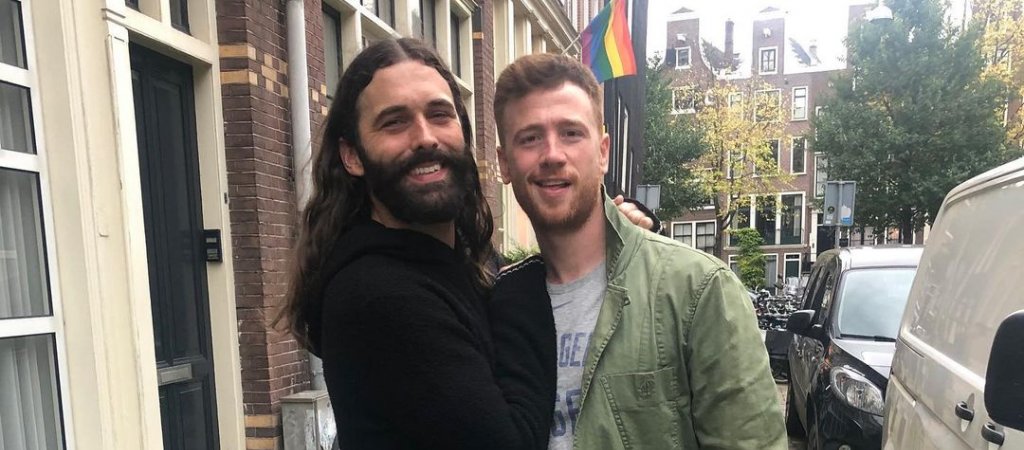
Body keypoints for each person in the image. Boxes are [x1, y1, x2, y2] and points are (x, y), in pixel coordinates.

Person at [493, 53, 787, 449]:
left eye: (571, 133)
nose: (552, 154)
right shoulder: (495, 304)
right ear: (504, 164)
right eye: (529, 138)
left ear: (603, 152)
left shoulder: (697, 291)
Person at [279, 38, 556, 449]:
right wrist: (528, 280)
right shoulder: (380, 294)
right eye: (394, 122)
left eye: (440, 114)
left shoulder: (444, 260)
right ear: (352, 156)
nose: (425, 137)